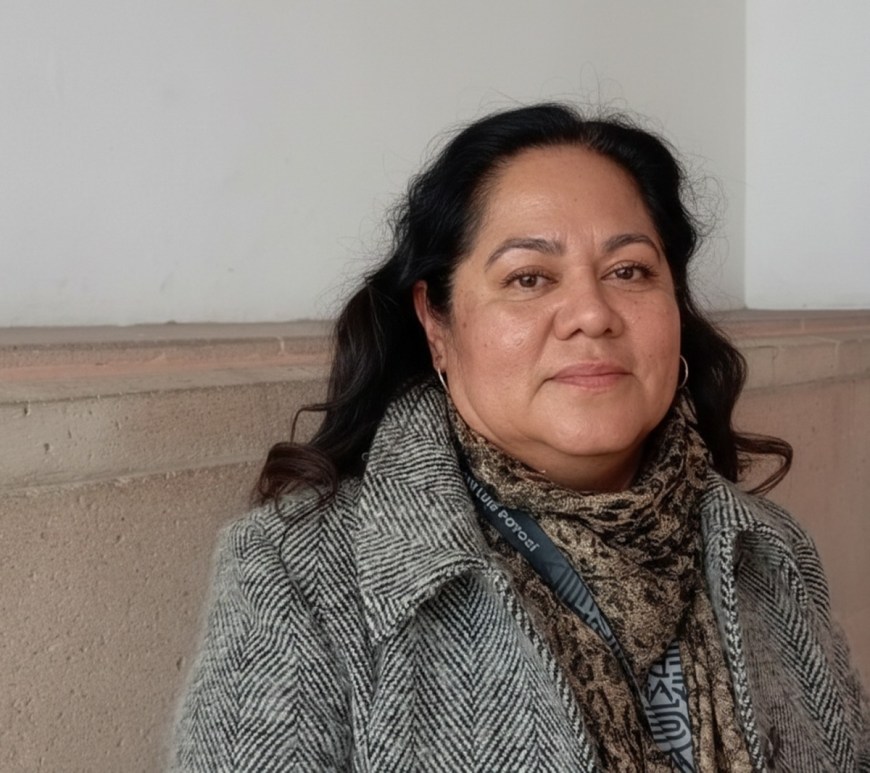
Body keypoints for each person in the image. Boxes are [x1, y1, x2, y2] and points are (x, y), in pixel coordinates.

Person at [171, 103, 868, 772]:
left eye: (629, 271)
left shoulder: (765, 547)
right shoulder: (298, 570)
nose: (592, 313)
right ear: (437, 323)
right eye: (529, 278)